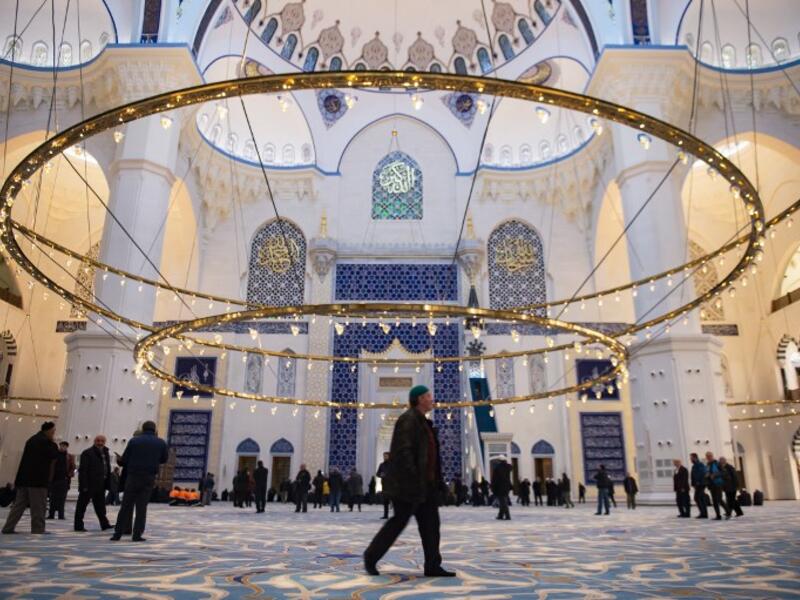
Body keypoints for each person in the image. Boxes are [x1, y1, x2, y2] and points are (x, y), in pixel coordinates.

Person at [363, 385, 455, 577]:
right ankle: (371, 557)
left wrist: (437, 482)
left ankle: (433, 565)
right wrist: (413, 477)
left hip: (426, 486)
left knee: (431, 526)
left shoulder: (423, 423)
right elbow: (403, 453)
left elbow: (430, 456)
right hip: (409, 485)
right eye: (429, 396)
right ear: (420, 399)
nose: (432, 399)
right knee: (398, 522)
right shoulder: (408, 420)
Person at [110, 420, 168, 542]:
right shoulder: (161, 443)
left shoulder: (134, 441)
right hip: (149, 477)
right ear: (154, 429)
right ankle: (137, 535)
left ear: (143, 429)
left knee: (126, 505)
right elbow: (164, 459)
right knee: (142, 507)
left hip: (133, 476)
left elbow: (125, 459)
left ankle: (117, 534)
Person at [2, 422, 59, 534]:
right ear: (48, 431)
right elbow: (53, 454)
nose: (53, 434)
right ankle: (38, 529)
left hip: (24, 479)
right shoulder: (45, 442)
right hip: (37, 481)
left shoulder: (31, 440)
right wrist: (53, 443)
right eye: (53, 432)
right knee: (38, 506)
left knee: (18, 506)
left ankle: (8, 527)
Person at [74, 435, 113, 532]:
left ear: (105, 442)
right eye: (98, 441)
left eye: (102, 441)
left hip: (101, 484)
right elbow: (83, 471)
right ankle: (78, 525)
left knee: (100, 506)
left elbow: (107, 469)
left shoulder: (105, 452)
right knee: (82, 506)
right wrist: (83, 485)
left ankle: (105, 524)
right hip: (89, 484)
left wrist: (108, 484)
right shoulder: (87, 453)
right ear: (94, 441)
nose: (100, 443)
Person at [48, 441, 73, 520]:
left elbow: (73, 467)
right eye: (62, 445)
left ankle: (61, 515)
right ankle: (51, 514)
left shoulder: (69, 456)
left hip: (64, 479)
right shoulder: (55, 455)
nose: (63, 447)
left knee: (62, 498)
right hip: (54, 479)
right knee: (53, 497)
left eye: (65, 446)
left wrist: (69, 475)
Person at [491, 456, 512, 520]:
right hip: (507, 486)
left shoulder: (498, 468)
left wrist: (493, 487)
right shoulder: (508, 467)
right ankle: (500, 515)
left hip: (500, 487)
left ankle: (508, 516)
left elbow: (495, 479)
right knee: (503, 501)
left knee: (503, 502)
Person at [704, 451, 724, 520]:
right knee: (715, 501)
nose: (708, 458)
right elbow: (707, 472)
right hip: (711, 484)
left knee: (719, 499)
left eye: (709, 456)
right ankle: (718, 515)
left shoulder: (717, 463)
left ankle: (727, 511)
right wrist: (707, 476)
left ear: (712, 456)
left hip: (718, 483)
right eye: (707, 456)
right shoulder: (708, 464)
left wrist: (715, 475)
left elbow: (722, 472)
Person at [690, 453, 708, 519]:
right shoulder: (695, 465)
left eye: (691, 458)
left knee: (698, 498)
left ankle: (703, 513)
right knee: (700, 498)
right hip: (698, 484)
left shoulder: (699, 464)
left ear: (695, 458)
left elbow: (701, 473)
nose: (690, 459)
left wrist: (698, 482)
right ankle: (703, 513)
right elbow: (693, 476)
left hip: (701, 484)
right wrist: (693, 484)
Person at [376, 452, 391, 518]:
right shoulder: (381, 465)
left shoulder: (393, 464)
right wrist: (381, 475)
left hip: (392, 485)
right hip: (384, 485)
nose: (384, 457)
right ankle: (386, 515)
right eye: (384, 456)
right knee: (385, 501)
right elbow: (377, 474)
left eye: (386, 456)